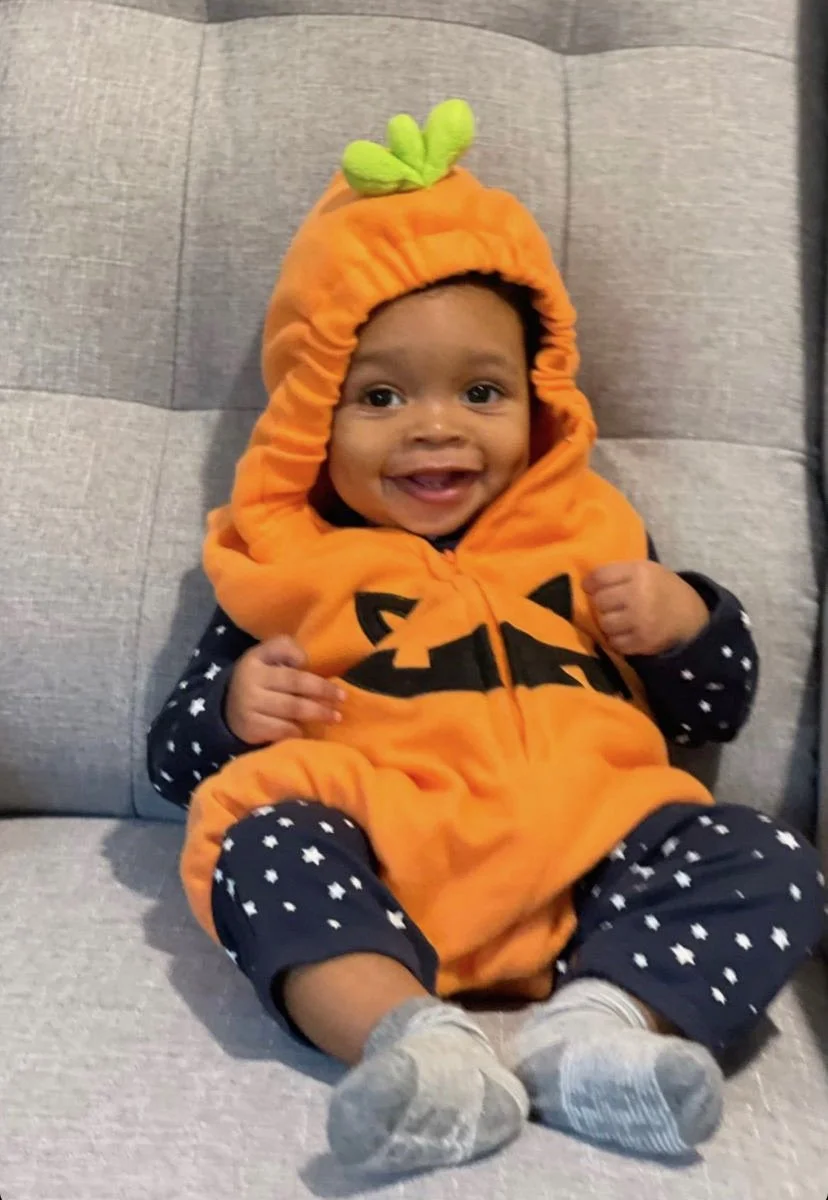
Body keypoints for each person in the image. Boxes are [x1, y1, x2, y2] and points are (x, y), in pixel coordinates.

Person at [147, 100, 825, 1176]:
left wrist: (684, 621)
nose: (435, 425)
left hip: (597, 851)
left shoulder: (590, 533)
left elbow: (713, 708)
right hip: (386, 855)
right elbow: (176, 759)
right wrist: (233, 709)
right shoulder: (289, 560)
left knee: (770, 855)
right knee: (262, 845)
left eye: (480, 390)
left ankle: (602, 1036)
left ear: (540, 398)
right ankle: (414, 1049)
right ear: (311, 418)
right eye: (379, 395)